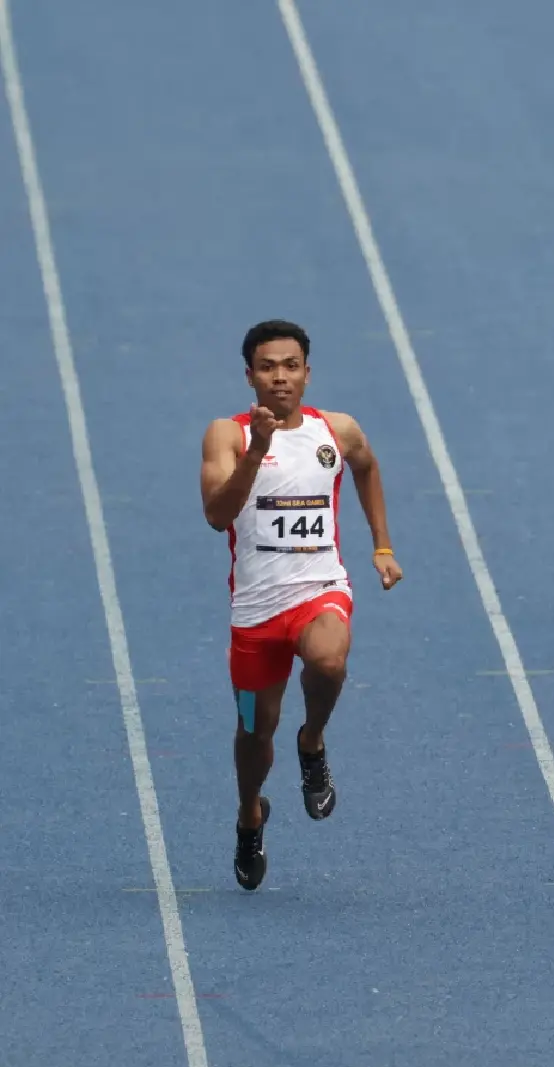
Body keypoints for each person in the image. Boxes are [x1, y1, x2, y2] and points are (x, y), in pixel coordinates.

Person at [200, 320, 401, 891]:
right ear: (250, 376)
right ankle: (249, 815)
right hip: (257, 613)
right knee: (253, 737)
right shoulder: (227, 436)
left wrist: (381, 545)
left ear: (308, 372)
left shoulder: (337, 430)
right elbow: (218, 515)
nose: (280, 377)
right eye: (268, 367)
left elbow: (366, 467)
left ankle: (311, 740)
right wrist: (257, 451)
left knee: (330, 660)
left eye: (291, 366)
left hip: (320, 589)